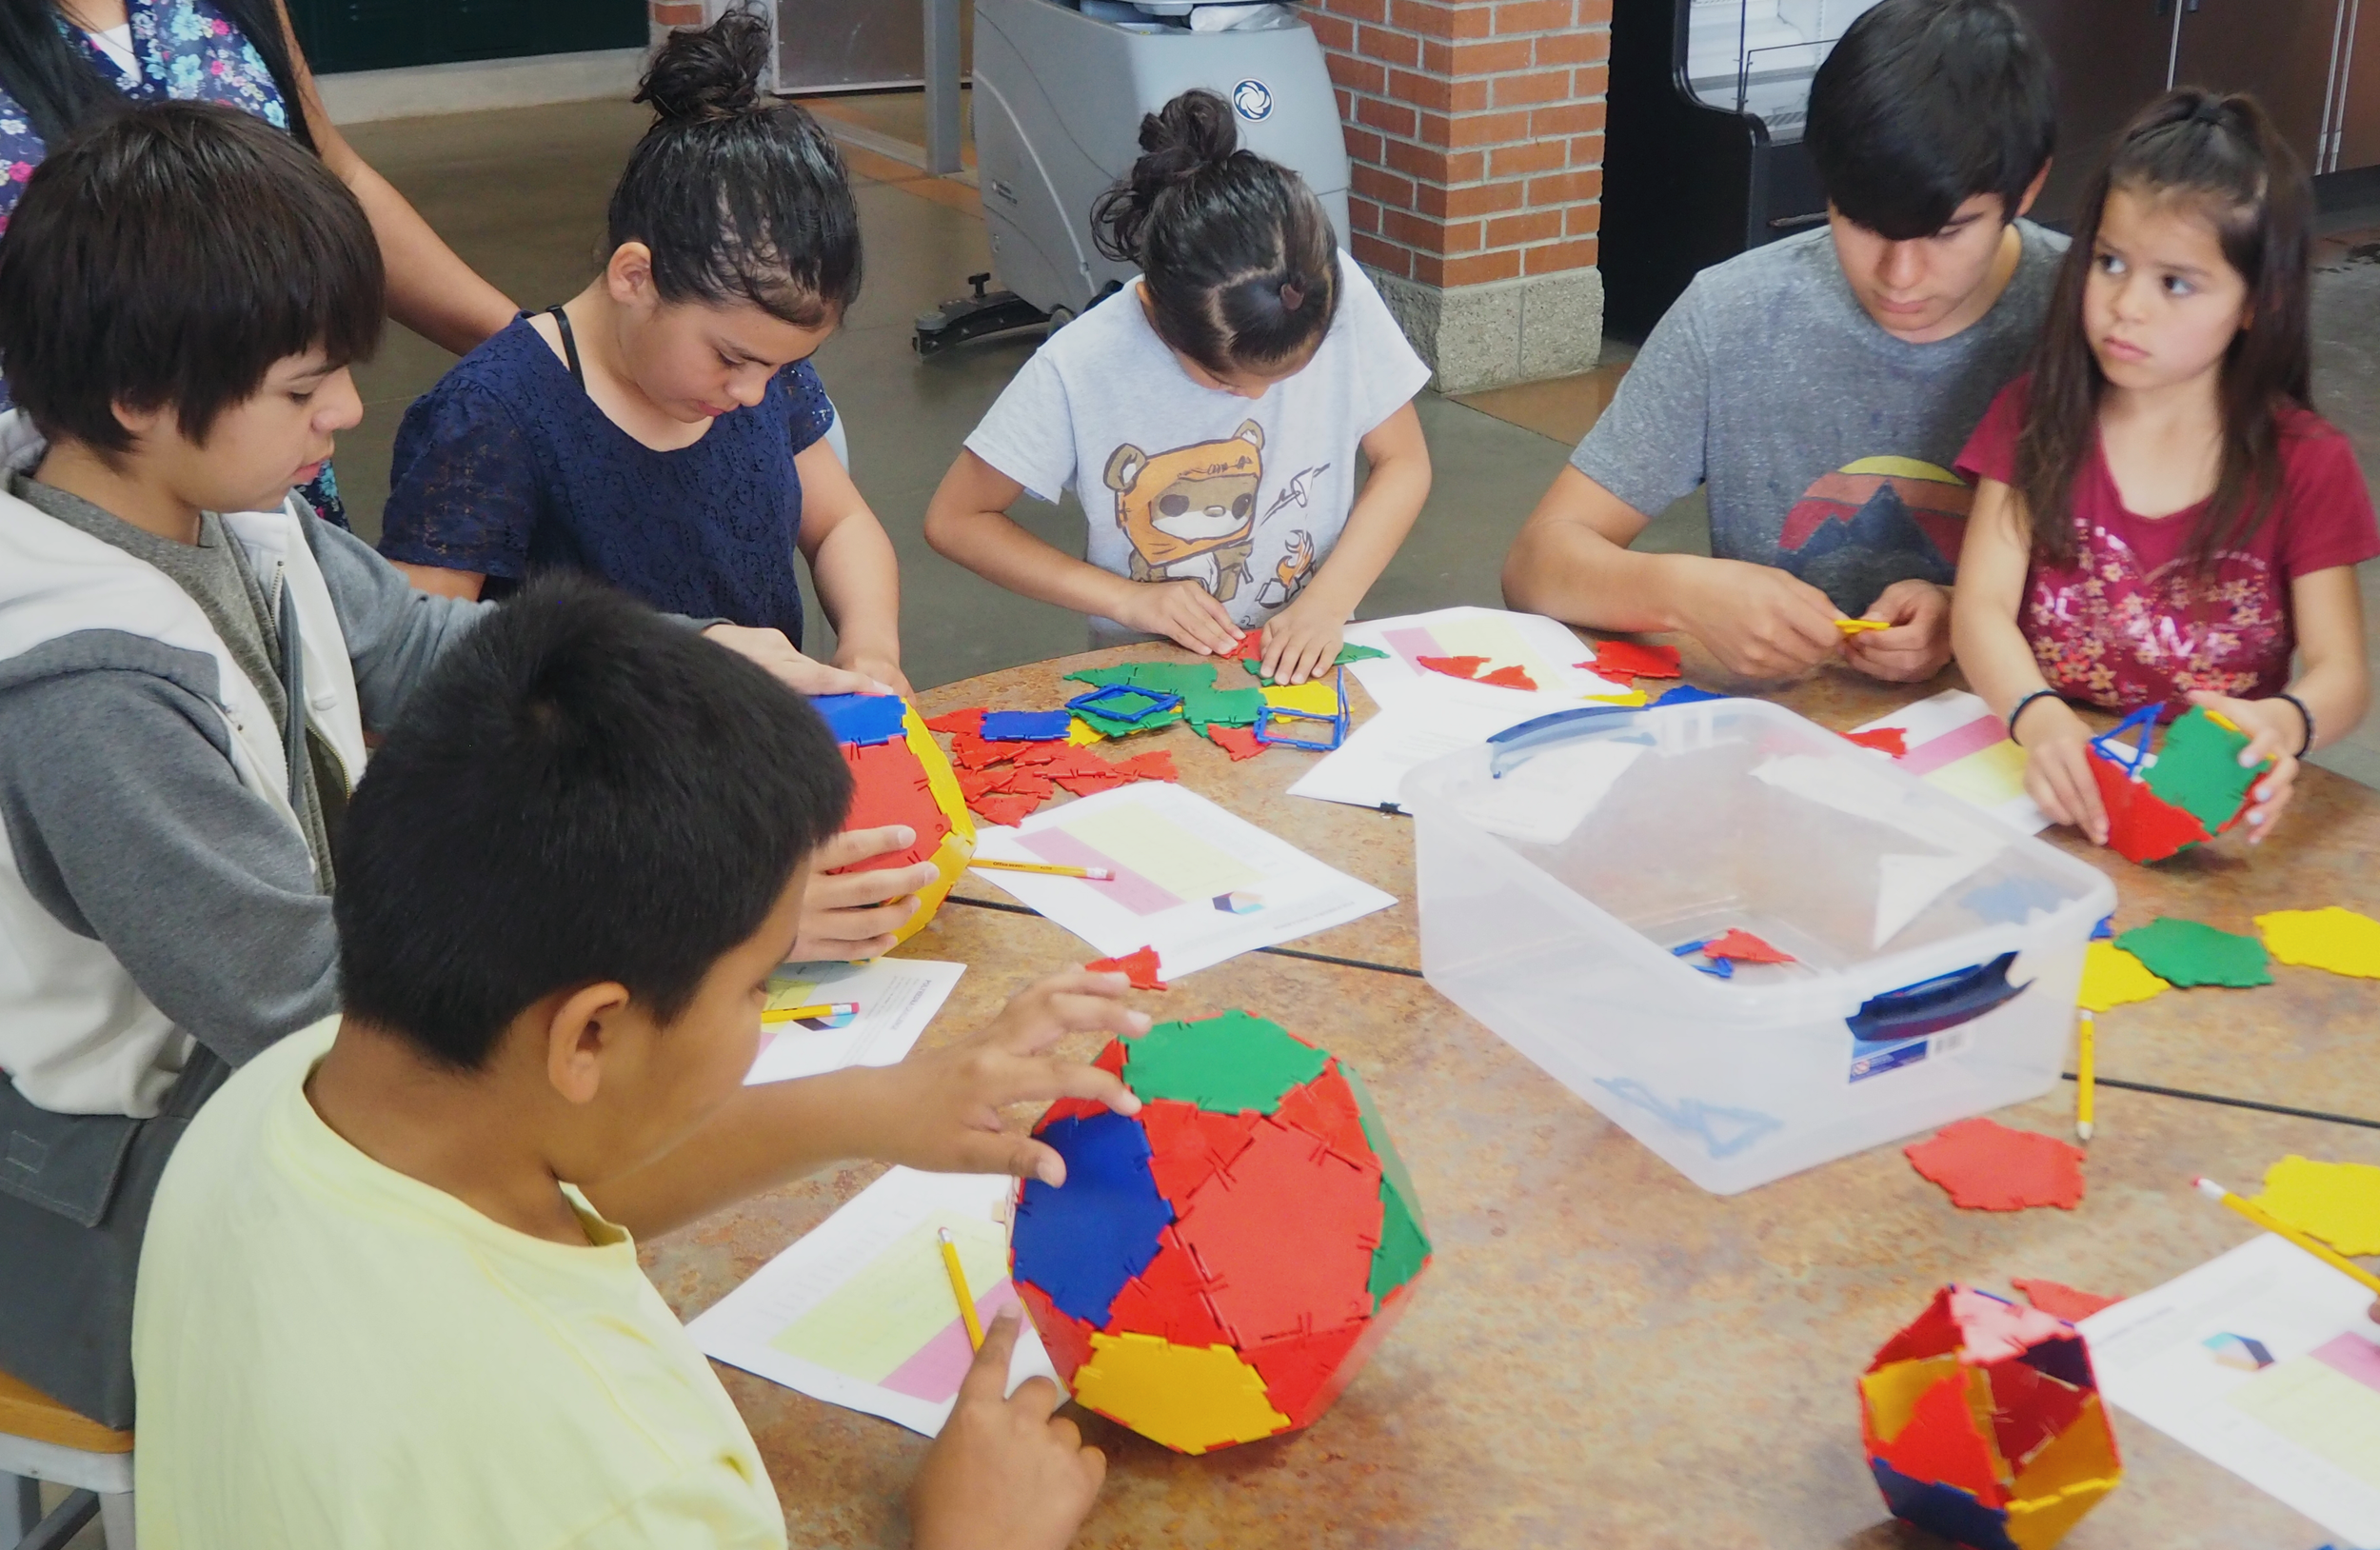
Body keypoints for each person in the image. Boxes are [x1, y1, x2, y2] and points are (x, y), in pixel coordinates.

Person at [0, 102, 884, 1427]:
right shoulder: (87, 694)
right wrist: (681, 929)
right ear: (137, 396)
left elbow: (420, 641)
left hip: (285, 1068)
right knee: (580, 1247)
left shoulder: (223, 509)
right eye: (305, 388)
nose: (350, 412)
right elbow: (299, 1002)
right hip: (129, 1192)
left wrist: (702, 653)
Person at [133, 576, 1135, 1550]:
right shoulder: (638, 1489)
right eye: (755, 986)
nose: (756, 1016)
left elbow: (551, 1196)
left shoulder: (285, 1092)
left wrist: (874, 1104)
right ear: (590, 1035)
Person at [1502, 0, 2063, 684]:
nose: (1901, 276)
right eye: (1862, 222)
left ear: (2027, 188)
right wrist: (1683, 593)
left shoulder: (2092, 323)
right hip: (1779, 741)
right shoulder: (1735, 313)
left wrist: (1972, 613)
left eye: (1946, 233)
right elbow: (1537, 565)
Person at [376, 10, 907, 697]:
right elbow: (415, 665)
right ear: (636, 277)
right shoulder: (489, 417)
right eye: (732, 358)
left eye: (780, 368)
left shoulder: (760, 372)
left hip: (749, 756)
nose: (752, 393)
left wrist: (869, 644)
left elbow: (840, 523)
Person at [1950, 90, 2376, 845]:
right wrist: (2037, 717)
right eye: (2110, 263)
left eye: (2175, 282)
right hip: (2037, 789)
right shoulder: (2034, 415)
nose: (2126, 306)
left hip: (2202, 811)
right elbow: (1980, 608)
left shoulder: (2307, 464)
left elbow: (2342, 672)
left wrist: (2285, 722)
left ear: (2257, 301)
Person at [924, 87, 1433, 686]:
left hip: (1304, 657)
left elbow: (1403, 462)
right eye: (1223, 379)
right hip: (1151, 676)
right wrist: (1126, 599)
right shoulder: (1083, 363)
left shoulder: (1325, 288)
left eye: (1287, 375)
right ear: (1163, 321)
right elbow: (957, 519)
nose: (1256, 399)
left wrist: (1328, 601)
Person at [0, 0, 519, 527]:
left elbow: (332, 171)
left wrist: (535, 354)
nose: (352, 412)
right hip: (65, 499)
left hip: (266, 479)